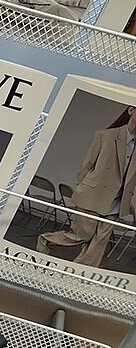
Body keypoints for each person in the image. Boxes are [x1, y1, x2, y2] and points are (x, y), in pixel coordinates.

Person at [37, 105, 136, 267]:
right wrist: (83, 189)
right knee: (82, 235)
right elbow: (87, 165)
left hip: (117, 202)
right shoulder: (105, 136)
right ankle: (46, 240)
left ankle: (78, 273)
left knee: (99, 243)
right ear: (131, 110)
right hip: (93, 195)